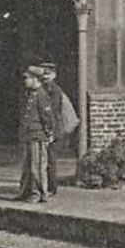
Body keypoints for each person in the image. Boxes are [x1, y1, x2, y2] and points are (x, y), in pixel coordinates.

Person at [17, 65, 55, 203]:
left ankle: (38, 193)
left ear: (35, 79)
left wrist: (49, 133)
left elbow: (47, 117)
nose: (25, 81)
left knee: (36, 166)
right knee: (27, 166)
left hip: (38, 135)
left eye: (27, 78)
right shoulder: (30, 94)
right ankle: (25, 191)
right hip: (29, 134)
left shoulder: (41, 95)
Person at [41, 61, 78, 196]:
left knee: (50, 159)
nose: (45, 77)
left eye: (48, 74)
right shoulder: (44, 88)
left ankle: (51, 188)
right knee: (46, 158)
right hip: (48, 128)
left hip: (53, 128)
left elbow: (53, 111)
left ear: (54, 75)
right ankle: (46, 186)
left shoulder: (54, 90)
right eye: (44, 74)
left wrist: (50, 130)